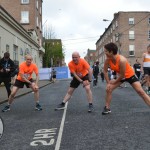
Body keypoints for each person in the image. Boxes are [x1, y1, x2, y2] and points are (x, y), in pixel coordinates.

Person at [102, 42, 150, 115]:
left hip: (130, 75)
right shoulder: (108, 60)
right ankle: (107, 108)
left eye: (105, 51)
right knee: (108, 89)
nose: (104, 53)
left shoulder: (122, 60)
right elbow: (105, 71)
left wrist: (114, 81)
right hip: (121, 76)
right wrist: (108, 83)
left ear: (111, 52)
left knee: (141, 92)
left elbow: (122, 75)